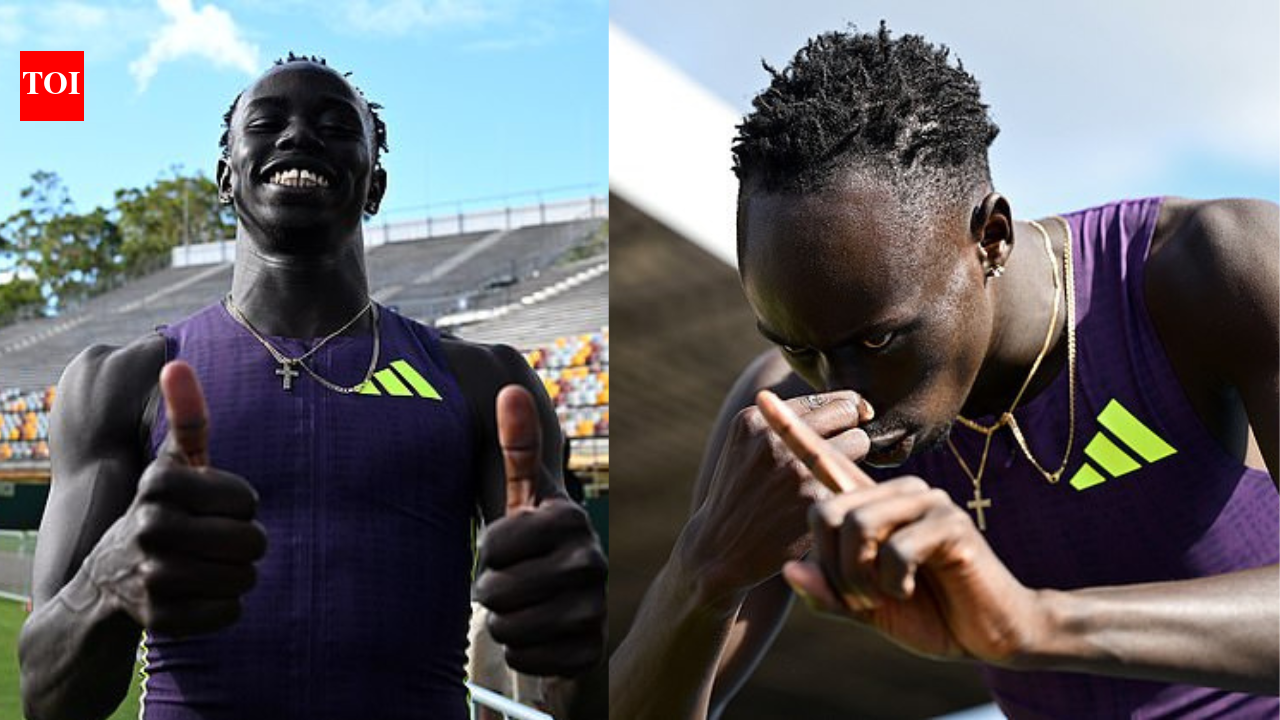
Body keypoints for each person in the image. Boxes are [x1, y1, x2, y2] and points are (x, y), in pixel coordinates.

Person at [611, 25, 1278, 719]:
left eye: (878, 341)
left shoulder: (1220, 269)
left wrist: (1038, 623)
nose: (844, 395)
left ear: (990, 237)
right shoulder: (786, 420)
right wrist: (701, 574)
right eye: (799, 349)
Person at [18, 54, 606, 720]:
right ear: (224, 177)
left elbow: (573, 687)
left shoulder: (487, 383)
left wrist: (578, 638)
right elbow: (48, 697)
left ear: (375, 186)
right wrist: (107, 582)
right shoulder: (116, 382)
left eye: (334, 125)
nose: (298, 138)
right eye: (268, 123)